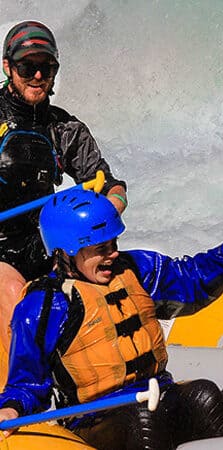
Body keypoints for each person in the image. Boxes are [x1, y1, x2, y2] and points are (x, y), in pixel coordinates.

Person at [0, 189, 223, 449]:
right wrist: (11, 408)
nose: (113, 254)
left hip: (157, 392)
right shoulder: (44, 305)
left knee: (204, 395)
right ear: (66, 252)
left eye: (113, 244)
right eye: (100, 248)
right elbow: (26, 382)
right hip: (95, 418)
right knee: (143, 420)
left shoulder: (135, 269)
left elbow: (191, 277)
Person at [0, 21, 127, 350]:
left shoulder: (64, 128)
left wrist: (115, 200)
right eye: (28, 67)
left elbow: (106, 180)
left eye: (46, 67)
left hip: (44, 248)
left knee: (102, 288)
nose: (38, 76)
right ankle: (19, 394)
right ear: (8, 67)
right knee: (20, 303)